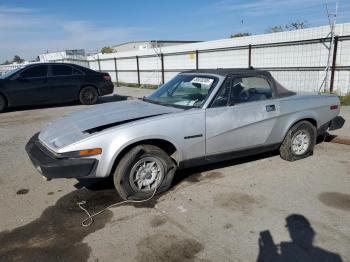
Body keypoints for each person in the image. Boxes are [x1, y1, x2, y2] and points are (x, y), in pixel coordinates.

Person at [257, 214, 343, 262]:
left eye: (298, 228)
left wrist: (263, 255)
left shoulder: (332, 258)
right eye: (291, 229)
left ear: (310, 231)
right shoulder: (332, 258)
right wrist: (263, 254)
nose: (295, 233)